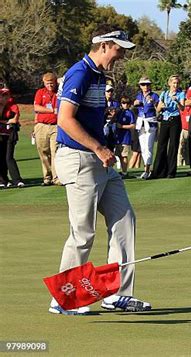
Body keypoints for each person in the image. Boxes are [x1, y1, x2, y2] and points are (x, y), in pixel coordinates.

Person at [50, 25, 150, 315]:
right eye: (118, 49)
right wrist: (98, 147)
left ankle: (116, 293)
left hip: (99, 161)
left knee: (124, 219)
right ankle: (63, 298)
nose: (120, 55)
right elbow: (65, 120)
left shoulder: (97, 75)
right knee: (83, 233)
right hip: (79, 160)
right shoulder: (79, 73)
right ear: (104, 45)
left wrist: (104, 148)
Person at [151, 75, 185, 179]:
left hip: (175, 120)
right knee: (161, 145)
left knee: (173, 146)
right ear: (169, 83)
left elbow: (182, 108)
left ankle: (171, 171)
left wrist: (177, 101)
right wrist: (160, 107)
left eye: (177, 83)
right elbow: (158, 109)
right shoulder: (164, 94)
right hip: (165, 120)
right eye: (174, 83)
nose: (175, 85)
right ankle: (158, 171)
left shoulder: (181, 94)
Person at [33, 72, 60, 186]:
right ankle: (47, 177)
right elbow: (36, 107)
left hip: (56, 125)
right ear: (44, 83)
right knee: (43, 151)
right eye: (47, 83)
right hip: (42, 125)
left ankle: (56, 177)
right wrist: (51, 110)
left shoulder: (59, 92)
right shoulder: (40, 92)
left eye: (52, 83)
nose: (50, 85)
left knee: (55, 151)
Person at [134, 76, 160, 179]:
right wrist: (135, 103)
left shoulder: (154, 96)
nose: (146, 86)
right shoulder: (139, 96)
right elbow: (136, 106)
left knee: (149, 147)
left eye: (147, 84)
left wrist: (153, 103)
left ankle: (147, 170)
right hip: (141, 123)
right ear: (140, 86)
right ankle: (146, 169)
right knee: (143, 148)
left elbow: (159, 109)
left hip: (151, 123)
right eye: (143, 84)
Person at [0, 88, 24, 188]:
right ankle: (3, 180)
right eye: (2, 95)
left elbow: (15, 120)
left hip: (10, 134)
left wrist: (4, 122)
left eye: (6, 95)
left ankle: (17, 180)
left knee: (8, 157)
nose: (4, 97)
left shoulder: (13, 106)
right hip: (1, 134)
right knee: (1, 157)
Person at [115, 96, 136, 177]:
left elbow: (133, 125)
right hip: (118, 137)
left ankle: (124, 172)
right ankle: (122, 171)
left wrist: (122, 126)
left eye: (127, 103)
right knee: (119, 155)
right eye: (124, 103)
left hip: (125, 137)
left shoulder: (130, 113)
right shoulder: (119, 112)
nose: (125, 105)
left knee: (124, 155)